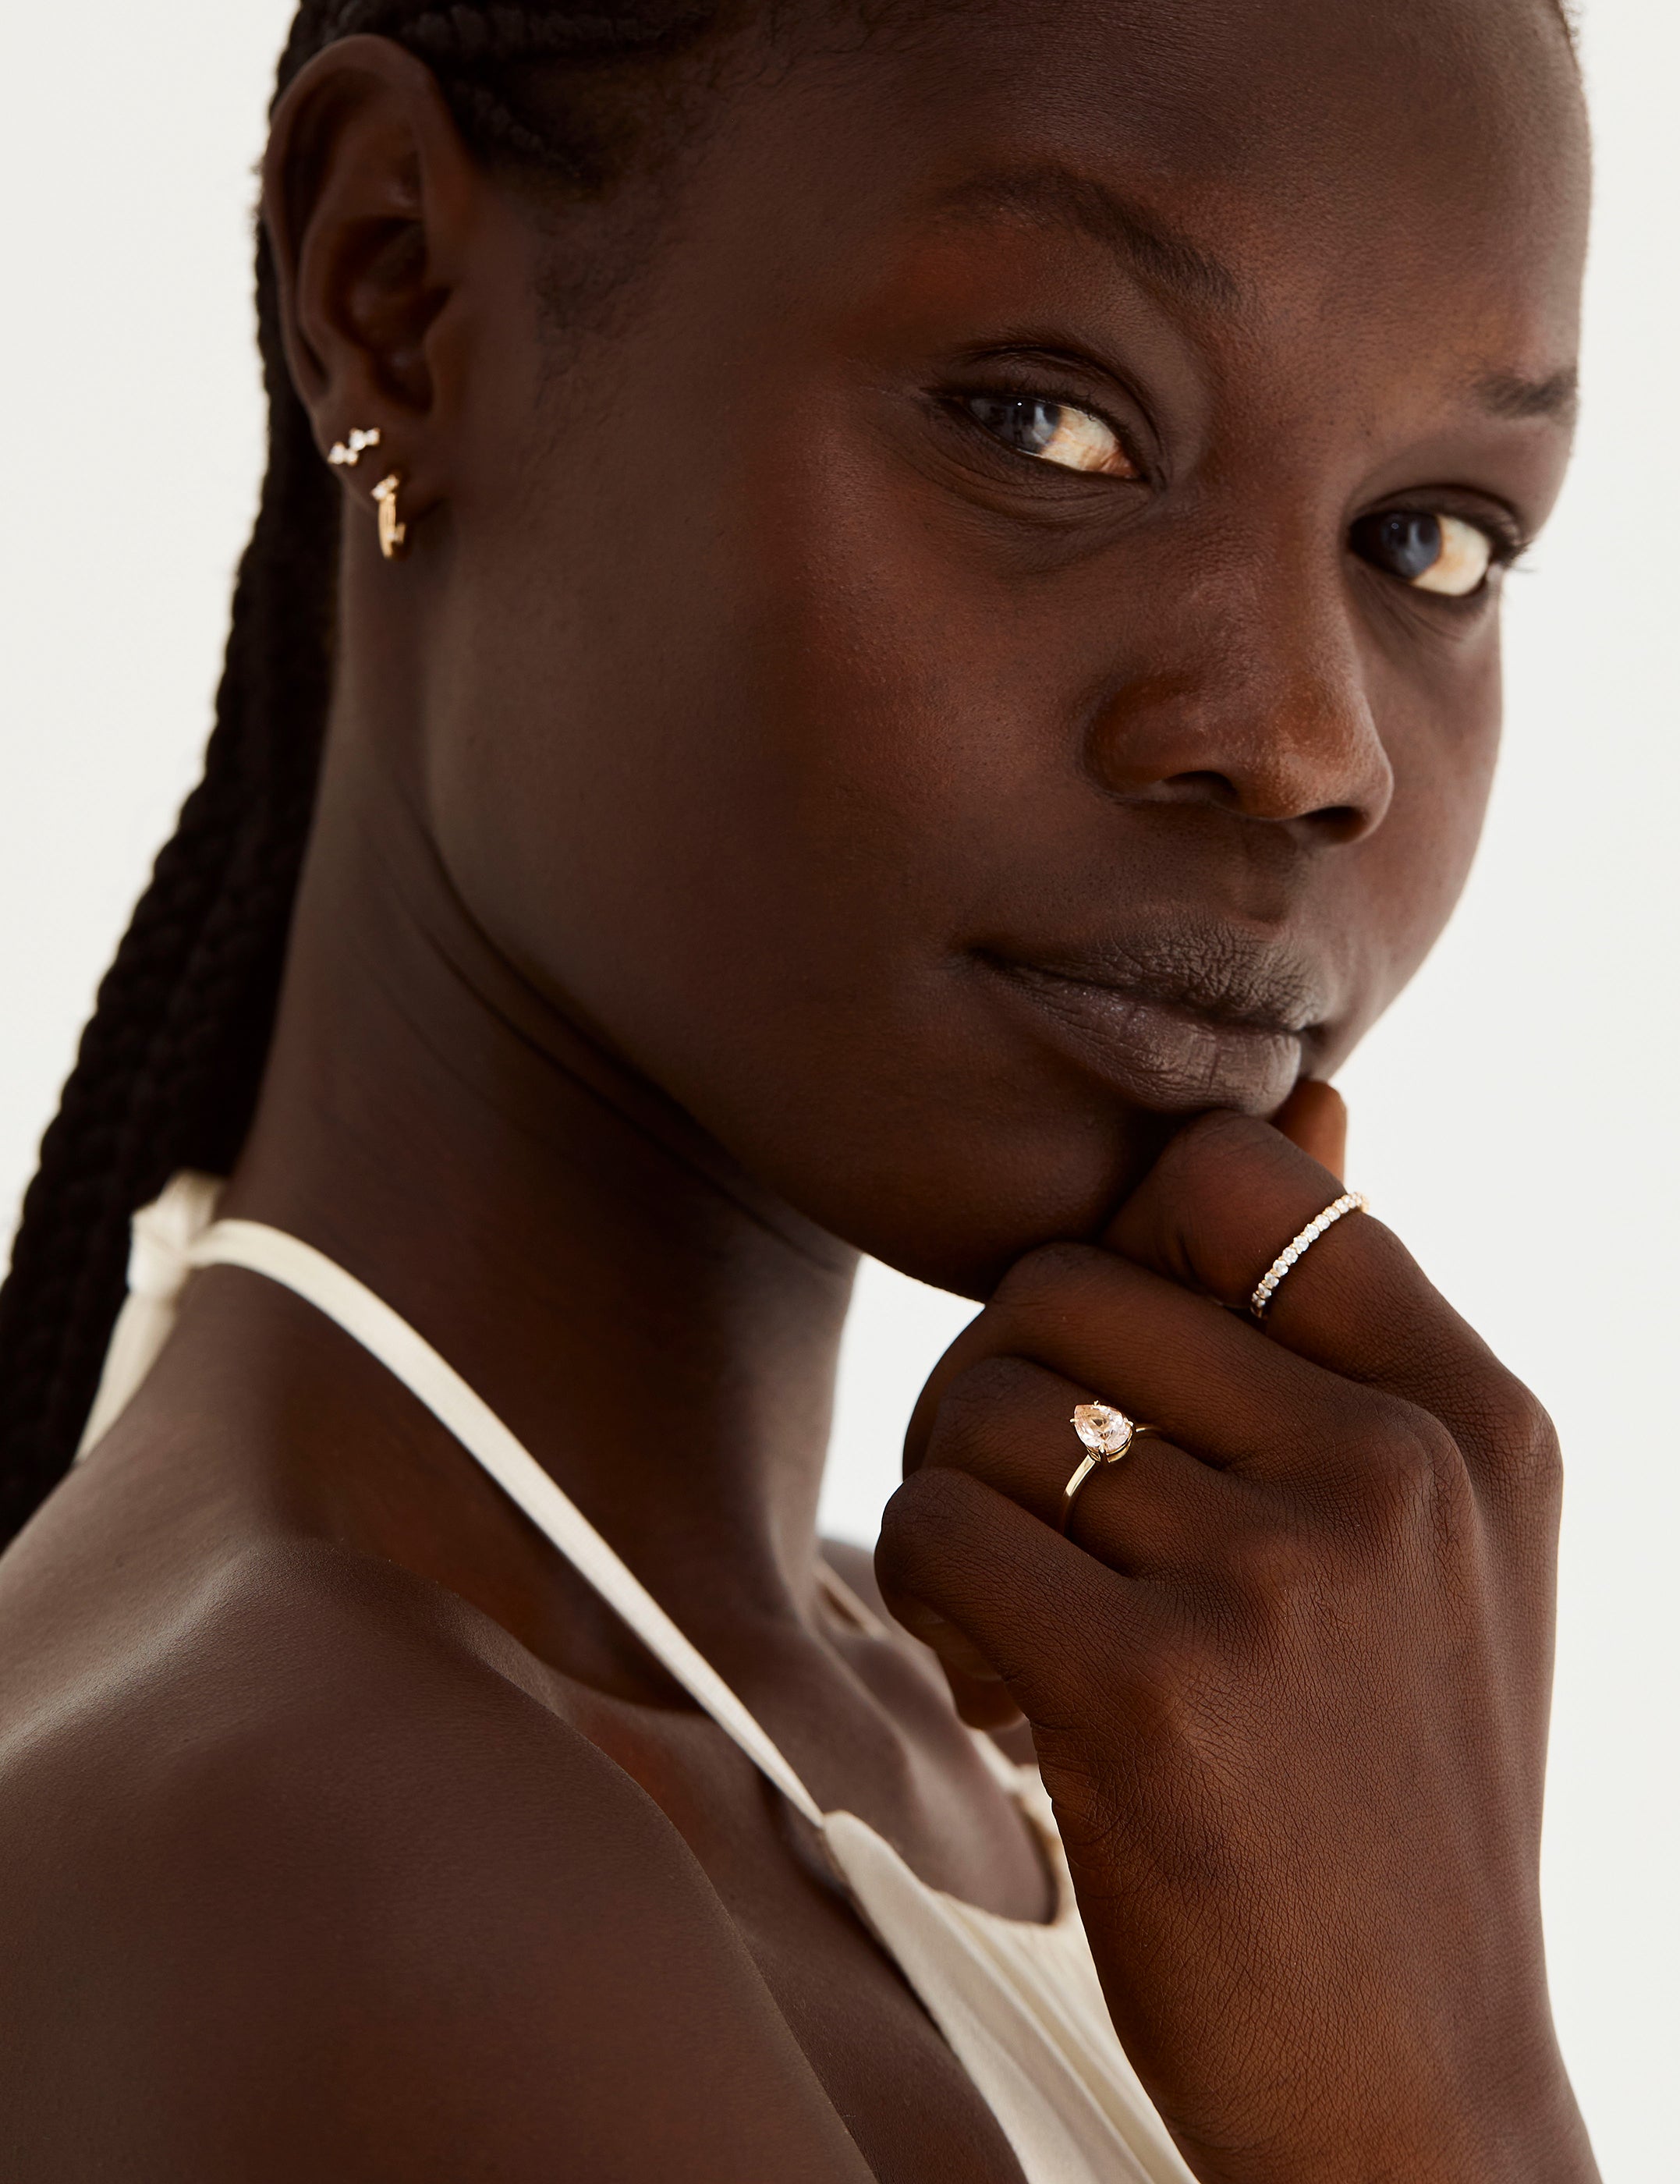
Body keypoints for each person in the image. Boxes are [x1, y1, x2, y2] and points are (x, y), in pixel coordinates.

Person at [0, 0, 1600, 2175]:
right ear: (397, 292)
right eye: (1049, 422)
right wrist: (1445, 2111)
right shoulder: (348, 1868)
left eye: (1430, 542)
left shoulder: (1040, 1741)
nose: (1308, 743)